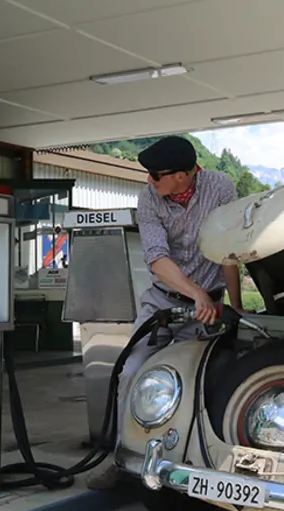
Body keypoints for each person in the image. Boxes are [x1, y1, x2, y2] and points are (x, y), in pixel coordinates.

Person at [86, 135, 243, 490]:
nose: (149, 181)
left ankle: (188, 462)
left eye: (156, 175)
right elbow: (157, 260)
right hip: (163, 301)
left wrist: (235, 306)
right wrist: (195, 293)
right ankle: (123, 459)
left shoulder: (220, 188)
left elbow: (230, 252)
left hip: (208, 308)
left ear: (183, 176)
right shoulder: (149, 199)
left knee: (191, 380)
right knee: (131, 371)